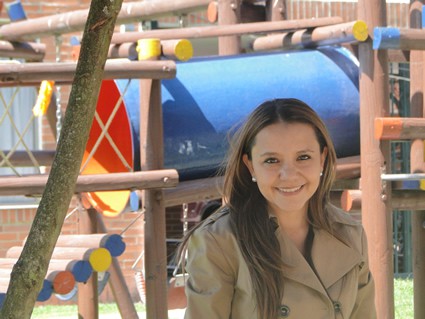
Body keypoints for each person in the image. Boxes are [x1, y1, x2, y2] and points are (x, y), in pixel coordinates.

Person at [178, 98, 376, 318]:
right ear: (250, 165)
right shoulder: (219, 241)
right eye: (272, 160)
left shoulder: (349, 234)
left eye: (303, 157)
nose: (289, 175)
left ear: (322, 159)